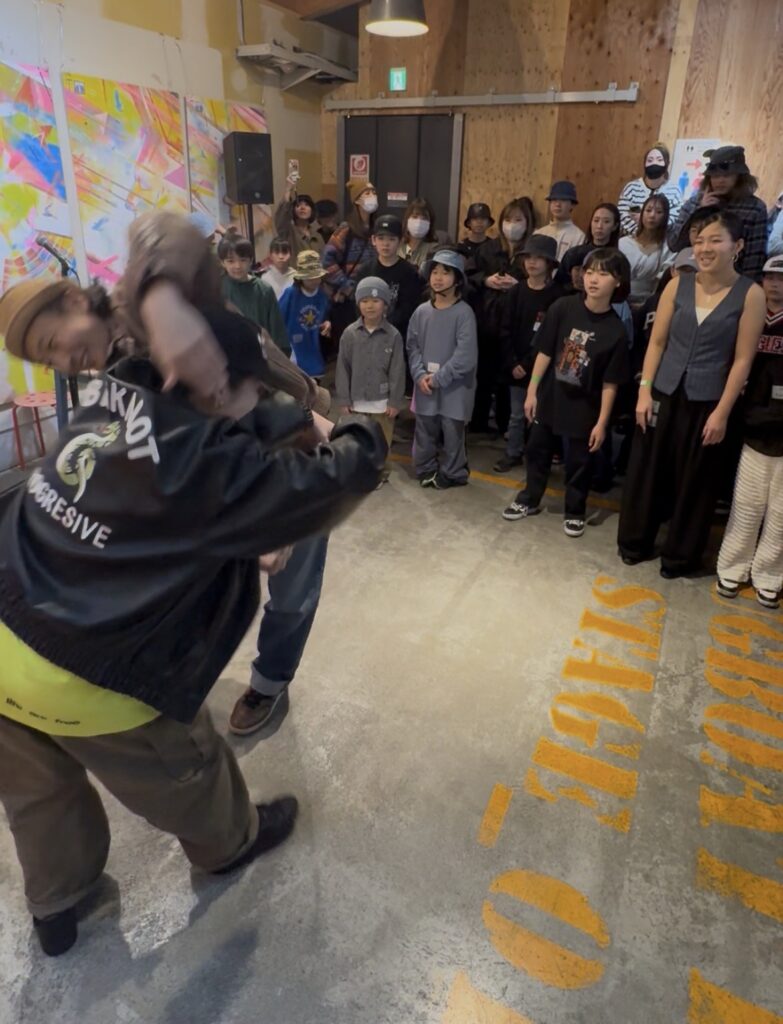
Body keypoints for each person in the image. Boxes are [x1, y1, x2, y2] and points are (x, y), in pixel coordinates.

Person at [0, 288, 386, 957]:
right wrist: (357, 432)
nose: (65, 360)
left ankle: (56, 903)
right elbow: (327, 484)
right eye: (48, 354)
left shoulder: (108, 397)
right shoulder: (202, 450)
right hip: (87, 670)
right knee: (190, 769)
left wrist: (293, 413)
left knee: (38, 793)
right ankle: (229, 846)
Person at [618, 210, 767, 577]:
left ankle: (680, 556)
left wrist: (722, 413)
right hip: (664, 392)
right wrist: (644, 392)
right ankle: (635, 542)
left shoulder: (751, 294)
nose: (704, 248)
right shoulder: (677, 285)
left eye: (715, 240)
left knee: (696, 481)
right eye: (699, 241)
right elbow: (657, 343)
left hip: (709, 401)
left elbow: (743, 360)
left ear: (737, 246)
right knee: (647, 470)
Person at [501, 249, 630, 537]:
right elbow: (545, 351)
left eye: (603, 274)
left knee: (579, 462)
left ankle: (575, 510)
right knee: (537, 450)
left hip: (585, 406)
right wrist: (532, 391)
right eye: (589, 272)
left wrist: (602, 422)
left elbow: (611, 382)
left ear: (618, 281)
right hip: (550, 395)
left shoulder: (616, 330)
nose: (593, 279)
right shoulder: (563, 307)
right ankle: (529, 499)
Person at [716, 255, 783, 608]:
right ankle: (732, 567)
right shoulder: (749, 313)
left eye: (782, 280)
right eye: (771, 278)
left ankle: (769, 575)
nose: (776, 285)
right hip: (749, 422)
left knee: (780, 513)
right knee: (746, 503)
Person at [407, 249, 478, 488]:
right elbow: (412, 346)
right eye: (434, 272)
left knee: (452, 431)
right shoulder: (421, 312)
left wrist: (438, 378)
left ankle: (454, 472)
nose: (438, 277)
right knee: (424, 429)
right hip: (424, 384)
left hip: (454, 386)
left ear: (457, 279)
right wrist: (419, 375)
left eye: (445, 272)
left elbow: (465, 356)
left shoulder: (464, 313)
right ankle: (425, 468)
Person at [494, 234, 563, 473]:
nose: (532, 262)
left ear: (549, 263)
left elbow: (550, 337)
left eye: (538, 258)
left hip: (542, 367)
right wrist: (513, 362)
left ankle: (537, 457)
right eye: (528, 257)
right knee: (516, 414)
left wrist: (528, 363)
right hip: (515, 365)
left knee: (540, 416)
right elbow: (504, 329)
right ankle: (513, 452)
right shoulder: (516, 292)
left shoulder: (557, 296)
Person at [471, 196, 536, 433]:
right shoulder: (487, 249)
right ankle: (478, 423)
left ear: (527, 223)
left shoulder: (531, 252)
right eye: (508, 220)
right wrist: (486, 280)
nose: (512, 225)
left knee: (509, 380)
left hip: (516, 326)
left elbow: (541, 283)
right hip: (486, 322)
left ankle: (505, 426)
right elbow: (468, 275)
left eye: (518, 220)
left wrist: (519, 285)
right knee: (483, 375)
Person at [335, 276, 405, 486]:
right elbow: (342, 368)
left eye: (376, 301)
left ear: (385, 304)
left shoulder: (393, 335)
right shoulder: (349, 334)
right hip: (356, 401)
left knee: (382, 442)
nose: (370, 306)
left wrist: (395, 401)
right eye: (364, 301)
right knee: (357, 441)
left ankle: (380, 474)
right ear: (358, 304)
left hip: (382, 403)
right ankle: (360, 473)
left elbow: (397, 371)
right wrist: (344, 399)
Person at [667, 146, 768, 279]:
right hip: (691, 275)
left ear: (739, 177)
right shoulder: (695, 203)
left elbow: (754, 260)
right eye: (715, 176)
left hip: (732, 279)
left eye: (726, 175)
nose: (720, 180)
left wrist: (744, 287)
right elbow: (674, 244)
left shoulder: (755, 208)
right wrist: (700, 211)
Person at [322, 179, 378, 344]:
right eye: (367, 193)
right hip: (349, 301)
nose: (372, 196)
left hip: (372, 297)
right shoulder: (346, 229)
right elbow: (326, 262)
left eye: (374, 192)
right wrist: (347, 287)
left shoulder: (377, 228)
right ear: (357, 200)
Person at [354, 213, 423, 343]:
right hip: (367, 335)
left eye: (391, 239)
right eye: (381, 238)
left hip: (396, 337)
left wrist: (383, 325)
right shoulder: (364, 270)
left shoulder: (409, 272)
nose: (385, 244)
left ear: (400, 241)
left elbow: (408, 308)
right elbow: (357, 303)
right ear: (373, 240)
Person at [218, 233, 290, 353]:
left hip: (260, 356)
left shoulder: (264, 290)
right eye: (231, 261)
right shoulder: (217, 290)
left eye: (243, 260)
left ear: (251, 260)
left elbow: (279, 336)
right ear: (222, 262)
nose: (237, 266)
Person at [278, 250, 331, 380]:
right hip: (294, 351)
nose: (314, 280)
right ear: (300, 278)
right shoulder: (290, 294)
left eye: (316, 277)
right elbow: (278, 319)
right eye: (309, 277)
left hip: (315, 350)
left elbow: (325, 317)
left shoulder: (322, 295)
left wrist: (327, 324)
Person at [619, 194, 675, 306]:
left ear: (665, 216)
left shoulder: (667, 247)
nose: (652, 215)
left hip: (649, 303)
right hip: (620, 299)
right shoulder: (623, 243)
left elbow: (662, 282)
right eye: (648, 210)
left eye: (659, 212)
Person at [617, 143, 683, 237]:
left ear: (667, 163)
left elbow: (674, 219)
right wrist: (641, 235)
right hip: (632, 239)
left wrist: (644, 220)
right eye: (650, 160)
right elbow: (622, 215)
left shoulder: (675, 191)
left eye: (659, 160)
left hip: (660, 241)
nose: (654, 163)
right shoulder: (631, 188)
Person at [557, 203, 622, 286]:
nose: (599, 226)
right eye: (596, 220)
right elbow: (558, 285)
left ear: (615, 226)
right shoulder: (574, 253)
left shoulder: (617, 258)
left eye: (606, 222)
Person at [535, 181, 586, 262]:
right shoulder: (539, 233)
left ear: (572, 205)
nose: (557, 204)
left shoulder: (579, 237)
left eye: (563, 200)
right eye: (554, 200)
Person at [274, 181, 324, 257]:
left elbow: (324, 259)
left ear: (312, 211)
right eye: (298, 205)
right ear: (293, 210)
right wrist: (288, 189)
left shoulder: (317, 236)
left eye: (306, 205)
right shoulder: (288, 231)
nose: (302, 208)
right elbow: (282, 215)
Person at [399, 197, 439, 270]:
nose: (419, 222)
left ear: (430, 223)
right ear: (407, 220)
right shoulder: (397, 247)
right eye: (415, 217)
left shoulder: (434, 250)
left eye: (424, 218)